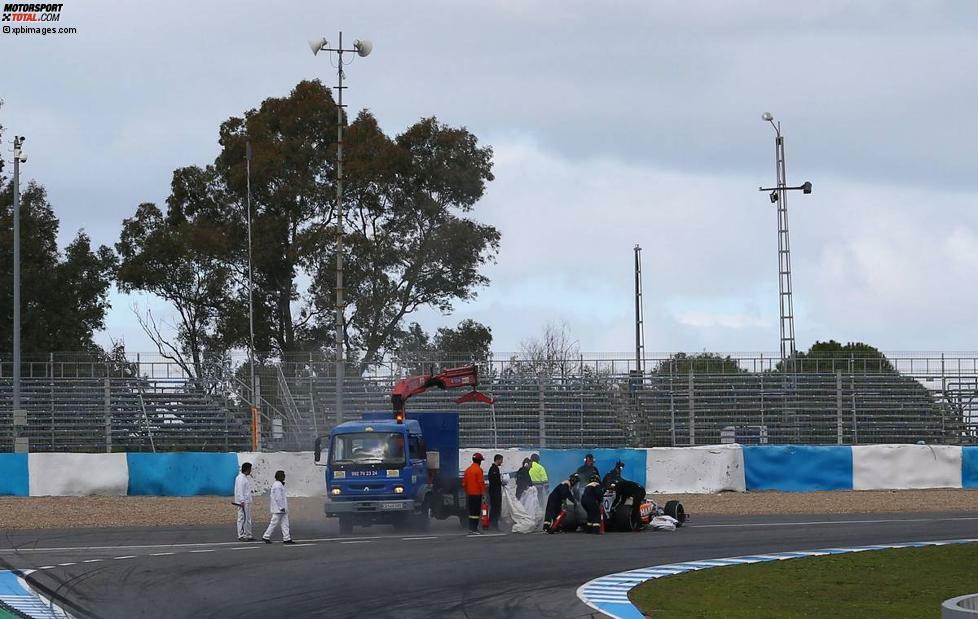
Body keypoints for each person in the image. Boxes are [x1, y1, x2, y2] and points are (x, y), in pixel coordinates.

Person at [262, 470, 295, 544]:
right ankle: (266, 536)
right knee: (275, 523)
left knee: (284, 523)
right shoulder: (278, 486)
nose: (284, 477)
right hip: (279, 509)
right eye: (283, 475)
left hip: (280, 509)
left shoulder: (278, 484)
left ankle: (286, 538)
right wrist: (281, 507)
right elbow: (278, 497)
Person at [463, 453, 486, 534]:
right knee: (476, 513)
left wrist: (467, 491)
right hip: (477, 494)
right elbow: (481, 483)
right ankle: (474, 529)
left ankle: (471, 528)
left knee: (471, 512)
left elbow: (464, 484)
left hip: (469, 494)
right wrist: (484, 493)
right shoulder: (479, 470)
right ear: (479, 461)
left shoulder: (467, 470)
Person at [233, 462, 254, 541]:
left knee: (247, 518)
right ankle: (241, 535)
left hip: (246, 501)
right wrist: (242, 500)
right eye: (250, 469)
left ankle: (248, 534)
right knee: (242, 518)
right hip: (243, 502)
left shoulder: (243, 477)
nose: (250, 471)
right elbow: (240, 491)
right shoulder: (241, 478)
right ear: (247, 469)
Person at [488, 454, 503, 531]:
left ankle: (491, 524)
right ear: (498, 459)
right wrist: (501, 483)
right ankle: (494, 525)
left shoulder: (494, 468)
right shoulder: (494, 469)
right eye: (501, 460)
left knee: (494, 508)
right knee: (496, 509)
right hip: (495, 492)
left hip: (494, 492)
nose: (502, 462)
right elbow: (494, 481)